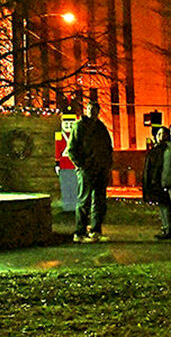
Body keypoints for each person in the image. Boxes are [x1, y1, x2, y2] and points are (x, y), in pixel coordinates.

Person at [65, 99, 114, 242]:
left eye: (94, 110)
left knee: (99, 202)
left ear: (98, 112)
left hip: (100, 169)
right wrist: (81, 165)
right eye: (89, 109)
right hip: (87, 170)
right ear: (86, 111)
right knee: (84, 201)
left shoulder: (100, 127)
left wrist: (107, 164)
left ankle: (95, 231)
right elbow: (71, 149)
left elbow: (107, 147)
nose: (91, 112)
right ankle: (80, 232)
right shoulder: (80, 126)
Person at [142, 126, 171, 239]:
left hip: (163, 181)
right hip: (156, 182)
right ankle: (166, 228)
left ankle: (169, 229)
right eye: (159, 134)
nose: (161, 136)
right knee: (162, 206)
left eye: (163, 134)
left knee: (166, 206)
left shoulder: (166, 149)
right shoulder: (155, 150)